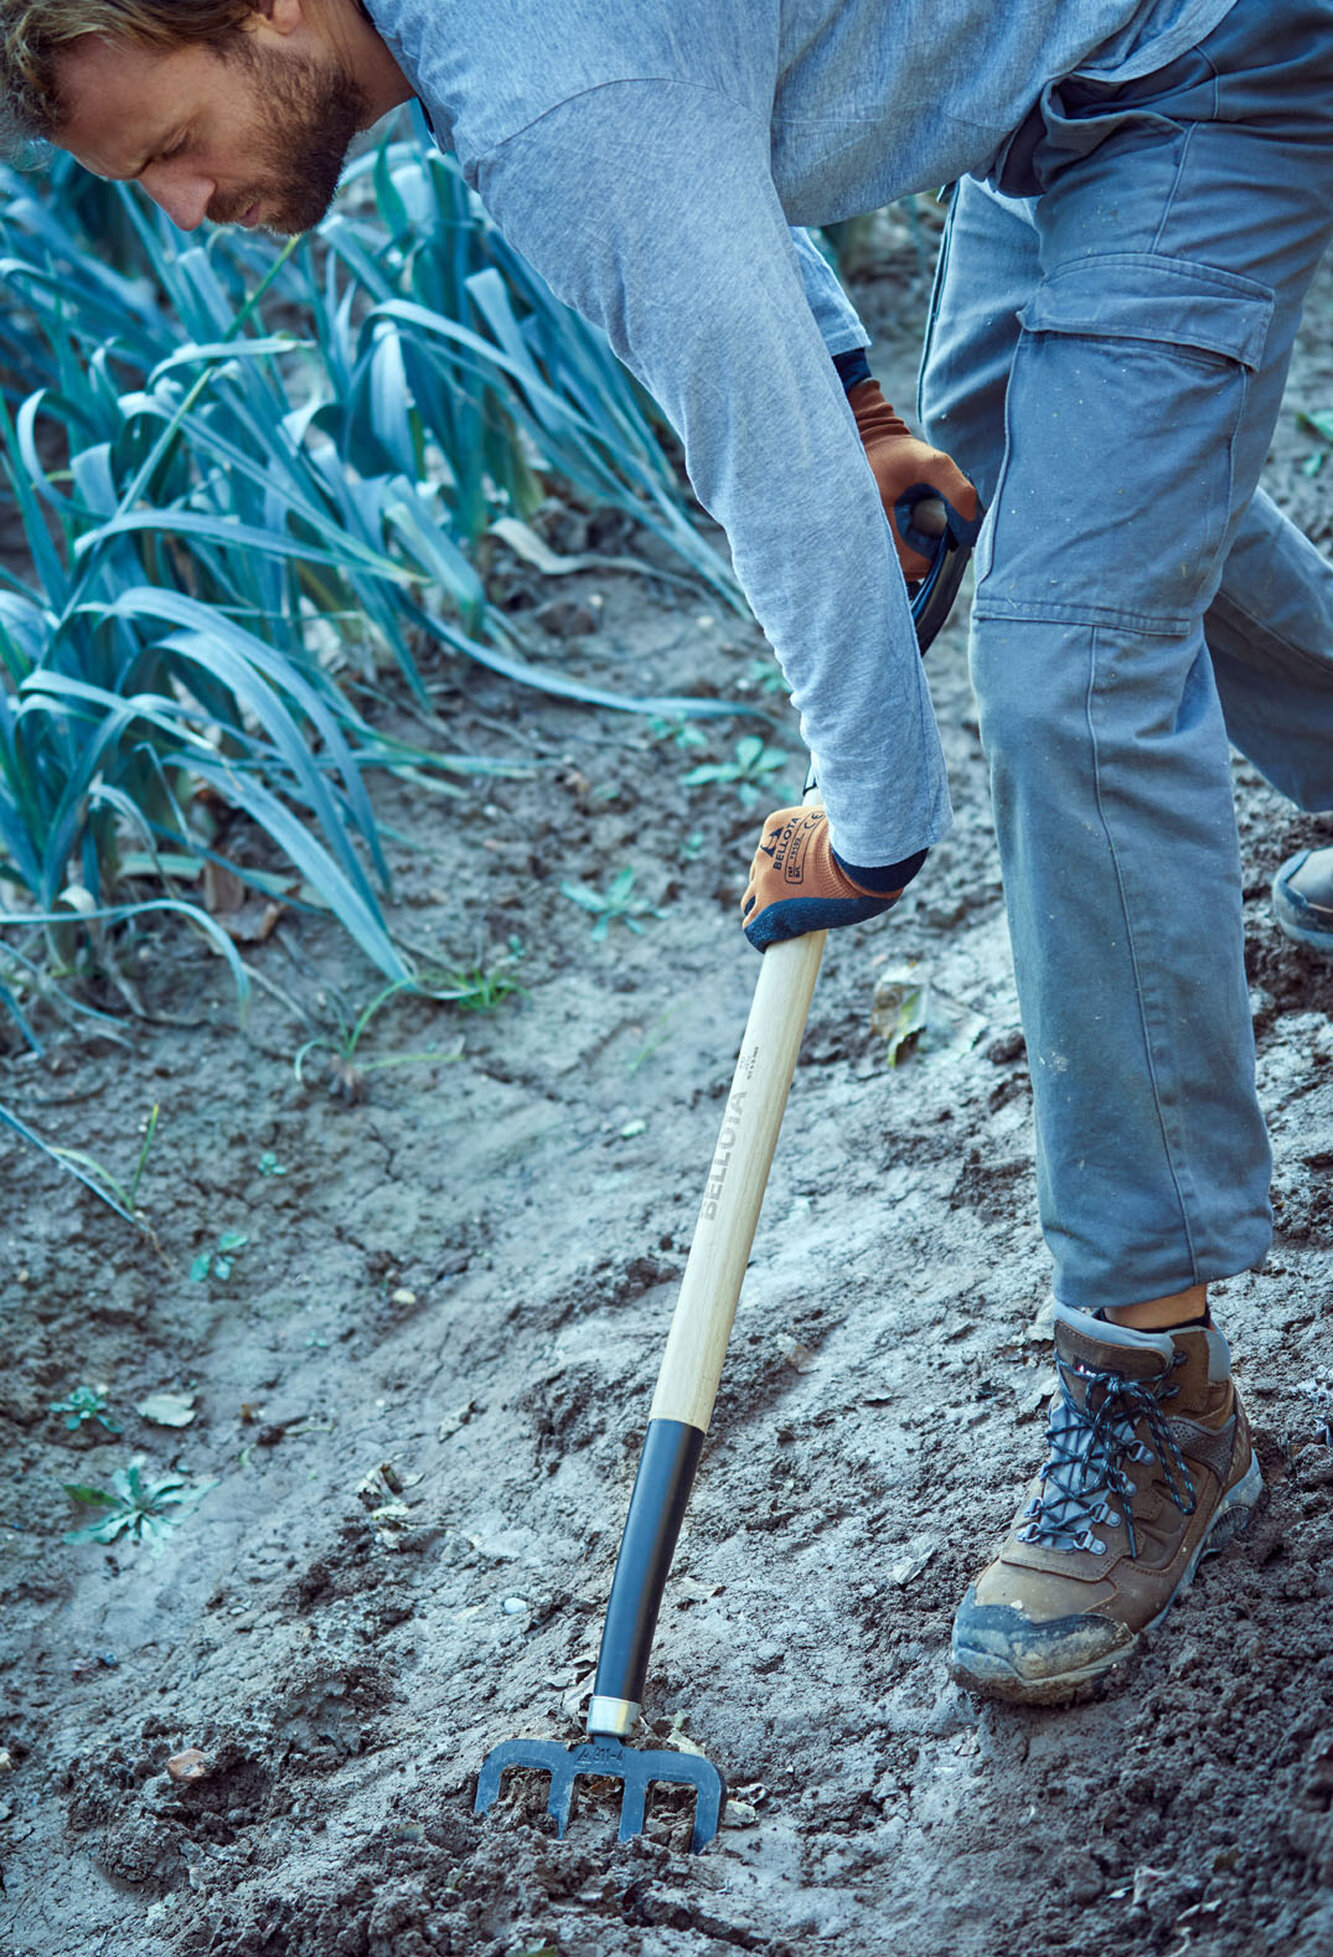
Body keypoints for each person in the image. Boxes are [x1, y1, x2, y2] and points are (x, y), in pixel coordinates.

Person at [6, 0, 1333, 1705]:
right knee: (1082, 487)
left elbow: (750, 448)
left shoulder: (544, 95)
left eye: (170, 148)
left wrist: (868, 817)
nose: (184, 209)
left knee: (1067, 651)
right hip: (1047, 90)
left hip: (1201, 58)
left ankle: (1148, 1382)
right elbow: (713, 172)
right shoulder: (496, 52)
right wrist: (857, 398)